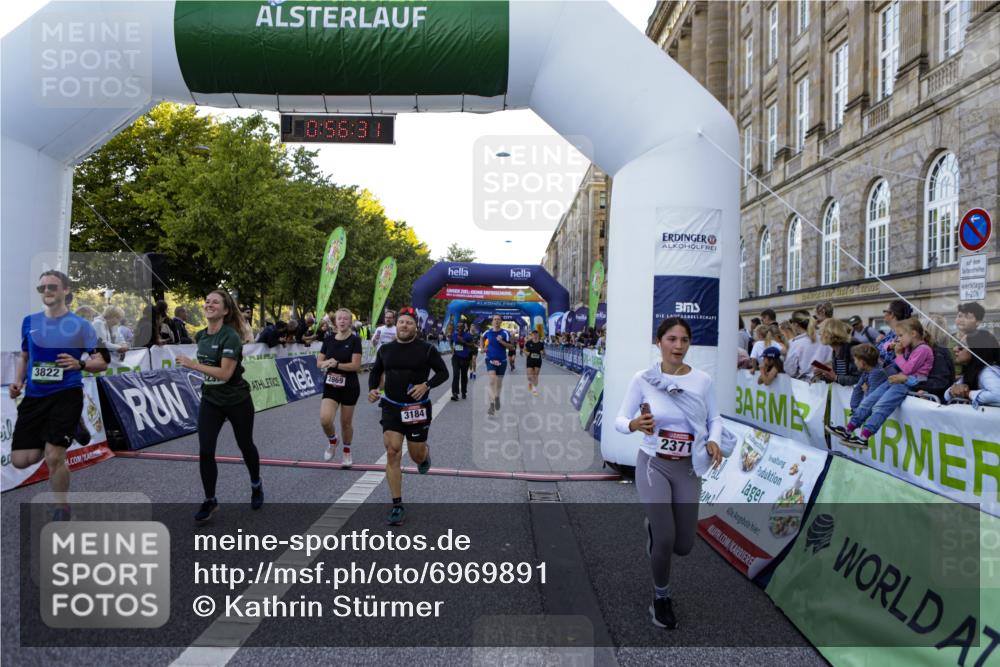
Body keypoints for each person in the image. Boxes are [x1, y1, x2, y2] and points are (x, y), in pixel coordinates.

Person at [614, 317, 732, 630]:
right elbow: (620, 419)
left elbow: (715, 419)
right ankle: (661, 597)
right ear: (659, 342)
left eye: (683, 340)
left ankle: (656, 530)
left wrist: (713, 440)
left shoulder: (703, 381)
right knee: (665, 539)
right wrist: (633, 425)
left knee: (684, 546)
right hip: (654, 463)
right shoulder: (644, 379)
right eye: (671, 339)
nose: (678, 346)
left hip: (687, 467)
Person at [9, 270, 109, 521]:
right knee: (22, 460)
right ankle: (70, 428)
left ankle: (62, 507)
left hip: (66, 394)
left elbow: (102, 362)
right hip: (34, 397)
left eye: (52, 287)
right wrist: (18, 381)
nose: (47, 292)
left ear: (65, 290)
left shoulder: (81, 326)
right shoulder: (29, 322)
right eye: (42, 288)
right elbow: (25, 356)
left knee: (55, 456)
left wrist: (80, 364)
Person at [176, 290, 263, 523]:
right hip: (211, 400)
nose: (209, 304)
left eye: (215, 302)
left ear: (225, 310)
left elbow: (225, 374)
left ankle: (256, 484)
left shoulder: (230, 336)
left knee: (245, 445)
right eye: (207, 301)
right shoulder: (202, 336)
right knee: (205, 450)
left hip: (236, 399)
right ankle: (210, 500)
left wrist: (193, 365)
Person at [367, 307, 449, 526]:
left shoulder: (426, 350)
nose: (404, 325)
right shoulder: (385, 349)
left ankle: (425, 454)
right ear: (397, 326)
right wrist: (373, 388)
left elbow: (443, 373)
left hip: (417, 408)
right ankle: (397, 505)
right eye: (401, 322)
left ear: (416, 328)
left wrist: (426, 385)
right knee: (392, 452)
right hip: (392, 406)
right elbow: (376, 371)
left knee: (415, 456)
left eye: (409, 323)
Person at [838, 318, 933, 447]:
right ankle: (848, 429)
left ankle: (864, 436)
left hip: (909, 383)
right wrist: (891, 346)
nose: (899, 339)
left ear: (913, 334)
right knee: (868, 401)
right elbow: (885, 347)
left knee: (881, 406)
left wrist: (898, 353)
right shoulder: (909, 347)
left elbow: (907, 369)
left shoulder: (923, 349)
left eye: (901, 335)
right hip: (897, 379)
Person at [317, 308, 363, 467]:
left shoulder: (355, 340)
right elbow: (319, 362)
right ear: (335, 321)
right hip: (331, 385)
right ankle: (333, 441)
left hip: (349, 386)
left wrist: (337, 364)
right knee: (325, 419)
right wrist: (326, 363)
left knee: (346, 423)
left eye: (345, 319)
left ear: (350, 321)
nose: (342, 321)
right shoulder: (328, 339)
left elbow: (356, 366)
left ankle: (347, 451)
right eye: (339, 319)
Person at [826, 344, 887, 447]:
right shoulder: (866, 372)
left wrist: (866, 391)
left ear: (862, 362)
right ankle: (847, 430)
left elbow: (871, 399)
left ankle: (848, 431)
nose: (854, 362)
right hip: (862, 408)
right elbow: (858, 389)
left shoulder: (877, 373)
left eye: (855, 360)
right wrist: (855, 409)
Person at [945, 329, 1000, 408]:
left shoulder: (987, 372)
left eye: (961, 346)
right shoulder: (973, 371)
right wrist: (952, 391)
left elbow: (997, 395)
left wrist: (968, 393)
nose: (955, 349)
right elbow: (946, 395)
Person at [784, 310, 831, 381]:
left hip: (804, 384)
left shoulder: (795, 343)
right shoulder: (824, 339)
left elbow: (790, 370)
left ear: (796, 325)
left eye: (792, 323)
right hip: (826, 382)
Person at [482, 315, 515, 416]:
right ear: (492, 321)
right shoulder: (487, 332)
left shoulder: (505, 333)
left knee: (499, 383)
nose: (496, 321)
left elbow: (511, 347)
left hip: (502, 360)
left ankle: (497, 397)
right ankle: (491, 405)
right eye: (495, 319)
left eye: (498, 319)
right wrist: (483, 348)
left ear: (501, 321)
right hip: (490, 359)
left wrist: (501, 341)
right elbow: (482, 340)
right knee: (492, 381)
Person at [813, 318, 859, 386]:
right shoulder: (836, 350)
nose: (820, 335)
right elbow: (838, 377)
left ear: (829, 333)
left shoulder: (852, 349)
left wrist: (835, 377)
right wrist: (824, 375)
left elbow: (859, 379)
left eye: (821, 333)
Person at [876, 299, 913, 368]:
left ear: (892, 314)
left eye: (884, 311)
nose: (883, 314)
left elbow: (891, 364)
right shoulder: (891, 334)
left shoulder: (901, 337)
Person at [449, 321, 475, 401]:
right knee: (456, 374)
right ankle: (455, 393)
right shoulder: (454, 335)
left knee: (464, 376)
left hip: (465, 358)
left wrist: (463, 342)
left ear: (464, 328)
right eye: (458, 327)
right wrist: (452, 349)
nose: (459, 328)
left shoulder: (468, 335)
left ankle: (464, 392)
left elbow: (472, 345)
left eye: (461, 327)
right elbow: (451, 342)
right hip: (456, 358)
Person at [525, 329, 545, 396]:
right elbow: (524, 349)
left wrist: (543, 353)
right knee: (530, 376)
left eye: (536, 334)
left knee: (536, 376)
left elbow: (543, 351)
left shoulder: (541, 343)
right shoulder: (528, 342)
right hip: (530, 361)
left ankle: (534, 390)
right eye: (533, 334)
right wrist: (526, 353)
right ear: (532, 335)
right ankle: (530, 382)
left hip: (538, 361)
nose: (535, 335)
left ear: (538, 335)